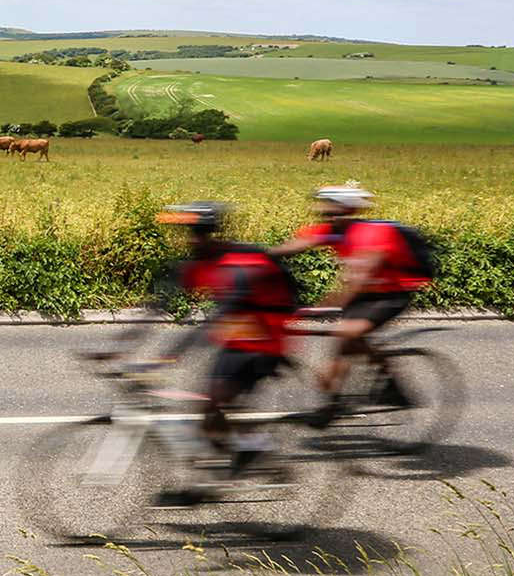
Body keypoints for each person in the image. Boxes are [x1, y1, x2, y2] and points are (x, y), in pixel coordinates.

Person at [93, 201, 301, 506]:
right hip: (237, 336)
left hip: (266, 337)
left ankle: (252, 450)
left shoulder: (238, 265)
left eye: (196, 233)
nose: (190, 239)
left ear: (209, 234)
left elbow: (211, 324)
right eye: (189, 233)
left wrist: (163, 360)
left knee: (214, 400)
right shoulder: (198, 264)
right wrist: (116, 347)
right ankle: (208, 478)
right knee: (208, 410)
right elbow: (158, 309)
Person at [270, 185, 431, 424]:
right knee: (342, 346)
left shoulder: (373, 234)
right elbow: (292, 247)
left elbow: (358, 279)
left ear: (349, 211)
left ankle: (391, 381)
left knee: (350, 334)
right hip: (364, 293)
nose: (327, 217)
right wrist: (255, 257)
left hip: (393, 292)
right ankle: (332, 404)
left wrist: (321, 308)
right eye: (323, 213)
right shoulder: (332, 230)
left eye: (332, 212)